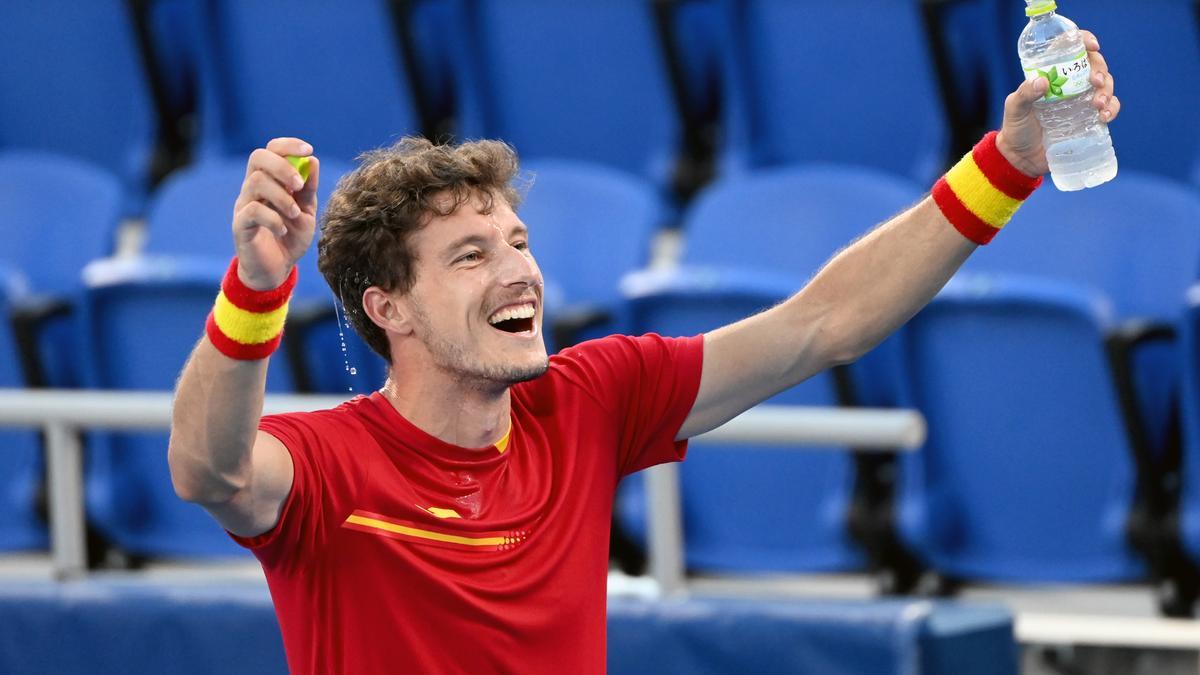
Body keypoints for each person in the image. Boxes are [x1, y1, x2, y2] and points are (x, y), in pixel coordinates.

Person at [168, 31, 1119, 675]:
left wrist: (1009, 164)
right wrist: (255, 287)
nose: (518, 273)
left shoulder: (592, 397)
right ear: (391, 309)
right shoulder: (331, 466)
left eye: (519, 244)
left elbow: (825, 324)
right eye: (471, 255)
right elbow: (209, 468)